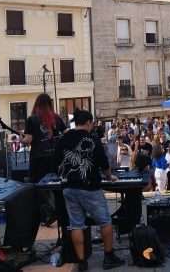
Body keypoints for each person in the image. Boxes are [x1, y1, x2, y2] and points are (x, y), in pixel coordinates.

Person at [56, 109, 124, 271]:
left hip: (69, 187)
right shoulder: (92, 139)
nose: (92, 126)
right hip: (89, 188)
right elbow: (103, 162)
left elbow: (57, 162)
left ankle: (81, 262)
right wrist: (109, 176)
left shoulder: (64, 138)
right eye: (92, 123)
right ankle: (108, 257)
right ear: (88, 122)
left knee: (76, 225)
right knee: (105, 221)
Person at [23, 93, 67, 183]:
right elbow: (67, 134)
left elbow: (28, 140)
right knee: (56, 184)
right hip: (55, 157)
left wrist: (21, 138)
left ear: (37, 104)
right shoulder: (57, 118)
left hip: (38, 158)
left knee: (39, 186)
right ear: (50, 104)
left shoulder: (32, 119)